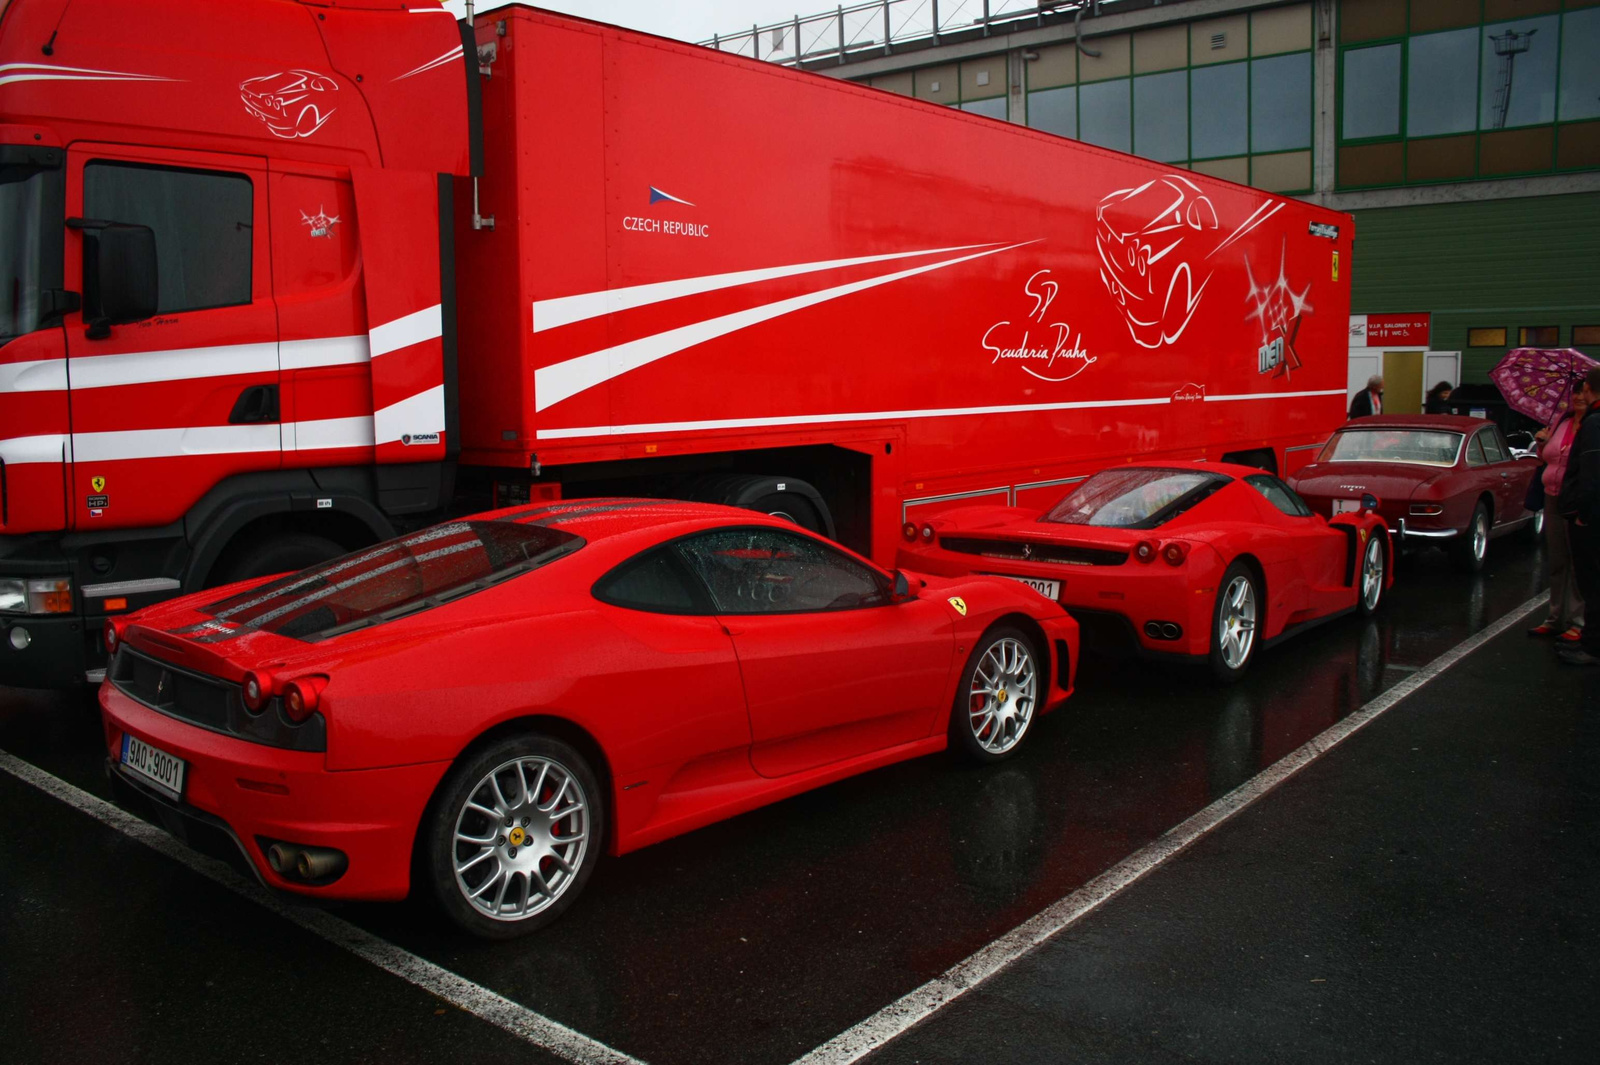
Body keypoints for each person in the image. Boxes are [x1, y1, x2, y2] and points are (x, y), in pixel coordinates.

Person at [1530, 388, 1587, 642]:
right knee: (1556, 560)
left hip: (1574, 499)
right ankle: (1554, 618)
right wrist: (1542, 443)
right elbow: (1547, 458)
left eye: (1584, 395)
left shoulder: (1592, 425)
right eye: (1575, 395)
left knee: (1577, 561)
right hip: (1551, 496)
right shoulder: (1562, 421)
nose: (1578, 399)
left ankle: (1578, 621)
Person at [1556, 367, 1600, 666]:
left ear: (1588, 390)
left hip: (1591, 518)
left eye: (1583, 389)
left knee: (1592, 582)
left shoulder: (1595, 424)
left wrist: (1583, 512)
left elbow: (1591, 473)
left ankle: (1593, 646)